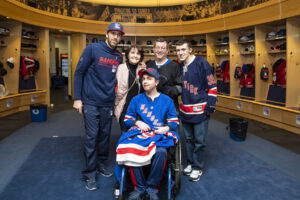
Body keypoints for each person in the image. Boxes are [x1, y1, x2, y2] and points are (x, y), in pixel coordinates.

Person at [73, 22, 124, 191]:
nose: (116, 37)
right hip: (90, 101)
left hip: (107, 102)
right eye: (113, 33)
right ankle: (90, 173)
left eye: (119, 34)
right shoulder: (92, 49)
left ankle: (101, 163)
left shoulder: (118, 56)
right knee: (92, 136)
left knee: (104, 136)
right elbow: (79, 73)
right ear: (107, 34)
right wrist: (78, 98)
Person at [115, 68, 179, 200]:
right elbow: (127, 120)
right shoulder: (136, 99)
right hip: (141, 134)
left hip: (158, 135)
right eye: (143, 79)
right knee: (130, 148)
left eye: (149, 78)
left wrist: (166, 128)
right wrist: (137, 123)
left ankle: (152, 188)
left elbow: (174, 121)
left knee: (161, 152)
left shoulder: (167, 100)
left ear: (156, 82)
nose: (145, 81)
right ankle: (139, 187)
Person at [175, 39, 217, 182]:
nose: (180, 53)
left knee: (199, 141)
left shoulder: (201, 63)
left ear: (190, 50)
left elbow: (211, 85)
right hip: (185, 110)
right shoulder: (181, 66)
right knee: (188, 139)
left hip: (200, 110)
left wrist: (210, 105)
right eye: (178, 50)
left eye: (183, 49)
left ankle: (198, 167)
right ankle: (192, 163)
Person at [114, 45, 146, 133]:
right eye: (132, 53)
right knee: (125, 135)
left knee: (139, 137)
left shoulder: (143, 69)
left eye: (138, 54)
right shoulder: (121, 68)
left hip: (139, 111)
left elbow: (146, 90)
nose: (135, 56)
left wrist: (144, 71)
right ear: (127, 55)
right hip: (124, 109)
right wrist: (115, 104)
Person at [146, 38, 182, 110]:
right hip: (151, 107)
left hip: (169, 108)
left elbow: (180, 87)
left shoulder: (174, 66)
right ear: (154, 49)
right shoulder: (149, 65)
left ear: (167, 51)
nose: (160, 50)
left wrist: (165, 91)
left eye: (163, 48)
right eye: (158, 47)